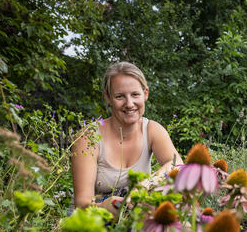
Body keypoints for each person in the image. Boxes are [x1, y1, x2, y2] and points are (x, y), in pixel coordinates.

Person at [71, 62, 183, 215]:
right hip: (94, 220)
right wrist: (104, 207)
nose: (129, 104)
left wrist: (146, 184)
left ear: (146, 94)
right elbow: (82, 204)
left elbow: (177, 165)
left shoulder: (152, 130)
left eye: (135, 94)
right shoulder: (88, 138)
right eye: (120, 96)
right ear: (108, 97)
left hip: (136, 213)